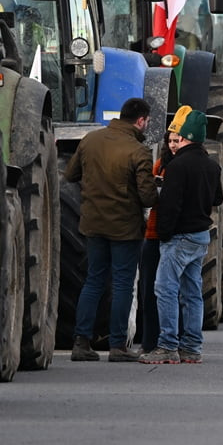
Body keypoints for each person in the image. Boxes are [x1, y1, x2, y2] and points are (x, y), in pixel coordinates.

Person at [64, 97, 158, 362]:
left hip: (93, 224)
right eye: (147, 122)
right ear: (140, 120)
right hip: (125, 229)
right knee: (122, 285)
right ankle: (117, 346)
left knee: (93, 280)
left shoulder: (90, 140)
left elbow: (70, 175)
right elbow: (148, 196)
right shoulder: (138, 151)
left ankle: (81, 342)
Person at [140, 106, 222, 365]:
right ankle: (192, 348)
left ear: (186, 136)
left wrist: (163, 233)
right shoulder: (211, 166)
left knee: (164, 289)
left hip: (178, 238)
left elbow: (171, 206)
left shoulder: (176, 167)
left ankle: (167, 346)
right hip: (200, 236)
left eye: (177, 136)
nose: (174, 140)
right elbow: (217, 198)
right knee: (192, 293)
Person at [139, 129, 180, 354]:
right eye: (170, 141)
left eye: (177, 140)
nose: (173, 145)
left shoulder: (184, 166)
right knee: (149, 290)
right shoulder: (159, 165)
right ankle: (149, 341)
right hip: (154, 233)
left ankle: (175, 339)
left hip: (175, 235)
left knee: (173, 290)